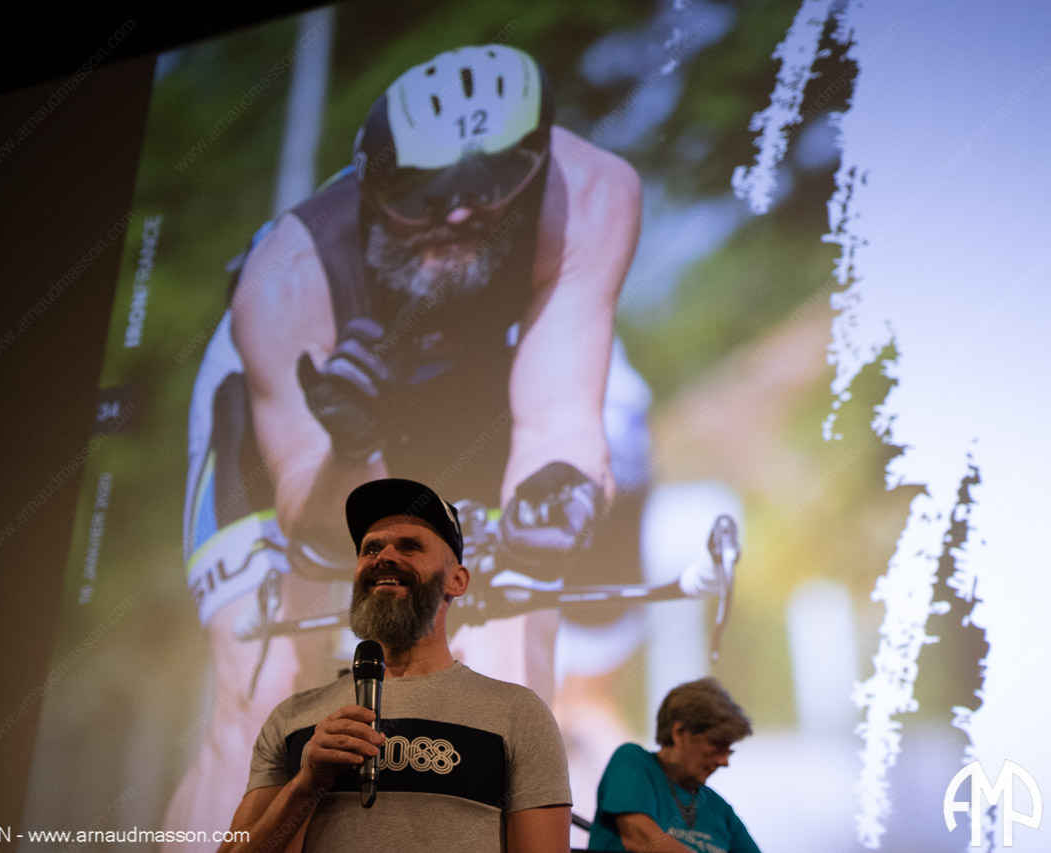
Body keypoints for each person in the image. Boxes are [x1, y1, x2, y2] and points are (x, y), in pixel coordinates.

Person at [171, 43, 652, 837]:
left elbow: (558, 419)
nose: (457, 215)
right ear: (372, 183)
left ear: (535, 164)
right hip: (308, 423)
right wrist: (352, 445)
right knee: (266, 704)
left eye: (490, 190)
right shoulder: (287, 280)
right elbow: (314, 518)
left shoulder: (592, 194)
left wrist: (550, 505)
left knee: (508, 691)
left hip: (464, 393)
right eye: (423, 197)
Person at [217, 478, 572, 853]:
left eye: (409, 546)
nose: (383, 557)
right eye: (371, 548)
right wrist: (306, 784)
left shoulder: (517, 714)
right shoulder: (293, 718)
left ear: (457, 580)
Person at [588, 678, 759, 853]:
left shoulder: (719, 809)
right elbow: (641, 840)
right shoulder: (633, 762)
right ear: (679, 732)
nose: (724, 762)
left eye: (728, 751)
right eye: (716, 746)